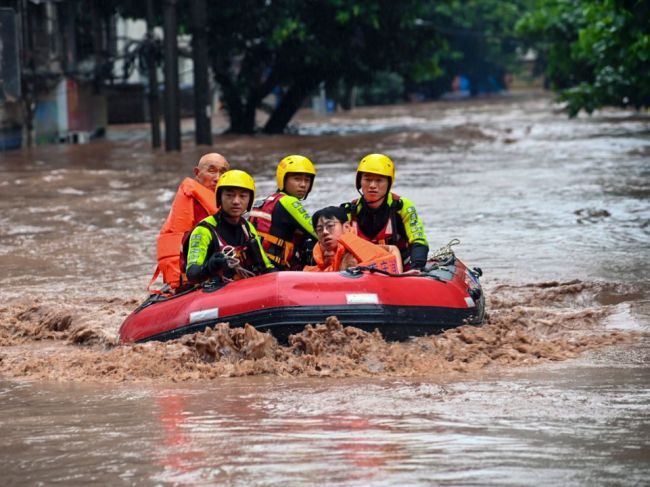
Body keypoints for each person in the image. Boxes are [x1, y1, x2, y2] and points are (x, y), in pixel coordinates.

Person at [149, 153, 231, 292]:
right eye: (211, 171)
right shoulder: (192, 202)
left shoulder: (230, 203)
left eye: (223, 172)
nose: (217, 178)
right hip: (194, 277)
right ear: (197, 173)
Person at [184, 170, 275, 284]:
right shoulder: (203, 230)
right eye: (229, 195)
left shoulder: (247, 228)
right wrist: (209, 266)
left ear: (250, 200)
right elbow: (192, 274)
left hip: (245, 289)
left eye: (242, 196)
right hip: (213, 293)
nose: (236, 201)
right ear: (219, 198)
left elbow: (266, 266)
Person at [342, 153, 429, 270]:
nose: (372, 185)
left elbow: (418, 240)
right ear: (359, 182)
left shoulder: (403, 207)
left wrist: (417, 268)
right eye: (367, 179)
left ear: (389, 183)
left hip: (401, 269)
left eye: (379, 180)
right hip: (360, 272)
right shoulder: (348, 211)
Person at [249, 154, 318, 270]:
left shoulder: (265, 201)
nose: (303, 185)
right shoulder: (288, 202)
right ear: (283, 179)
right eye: (297, 179)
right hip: (274, 270)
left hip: (255, 267)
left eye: (307, 180)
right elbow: (317, 233)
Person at [304, 206, 402, 273]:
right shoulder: (317, 255)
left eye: (330, 226)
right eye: (320, 229)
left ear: (346, 227)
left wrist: (398, 275)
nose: (325, 232)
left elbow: (392, 249)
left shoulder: (357, 251)